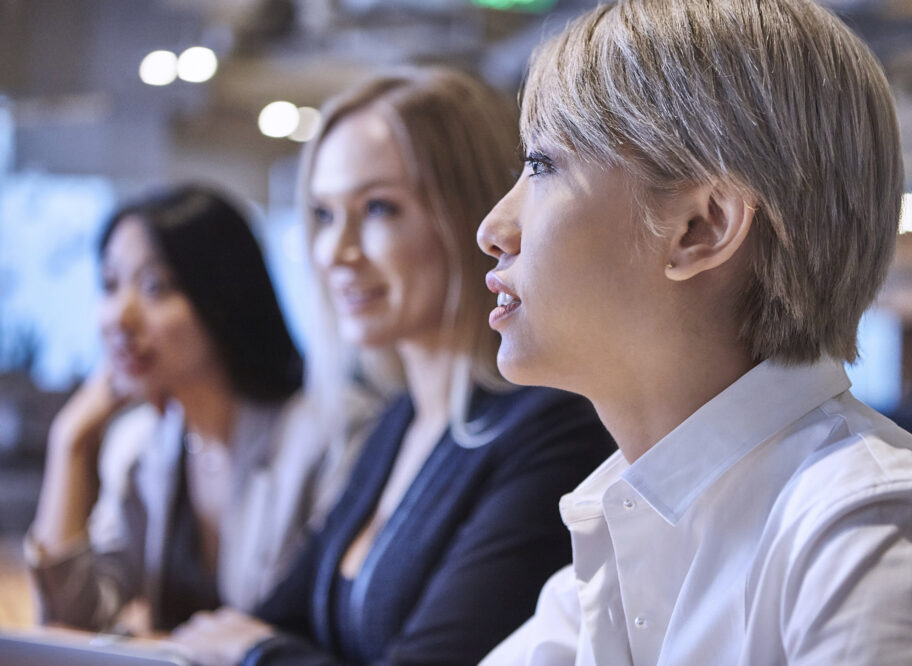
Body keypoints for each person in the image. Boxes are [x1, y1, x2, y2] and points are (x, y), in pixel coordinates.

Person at [476, 1, 912, 664]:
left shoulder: (872, 532)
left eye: (542, 167)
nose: (493, 229)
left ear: (701, 228)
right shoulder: (614, 541)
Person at [168, 67, 615, 666]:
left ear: (474, 213)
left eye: (378, 208)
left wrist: (257, 653)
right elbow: (276, 616)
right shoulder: (398, 421)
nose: (336, 252)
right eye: (324, 215)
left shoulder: (552, 428)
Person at [27, 185, 371, 632]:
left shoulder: (328, 435)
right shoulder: (140, 445)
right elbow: (70, 624)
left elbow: (333, 630)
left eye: (154, 287)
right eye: (110, 284)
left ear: (221, 296)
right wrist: (69, 441)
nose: (118, 318)